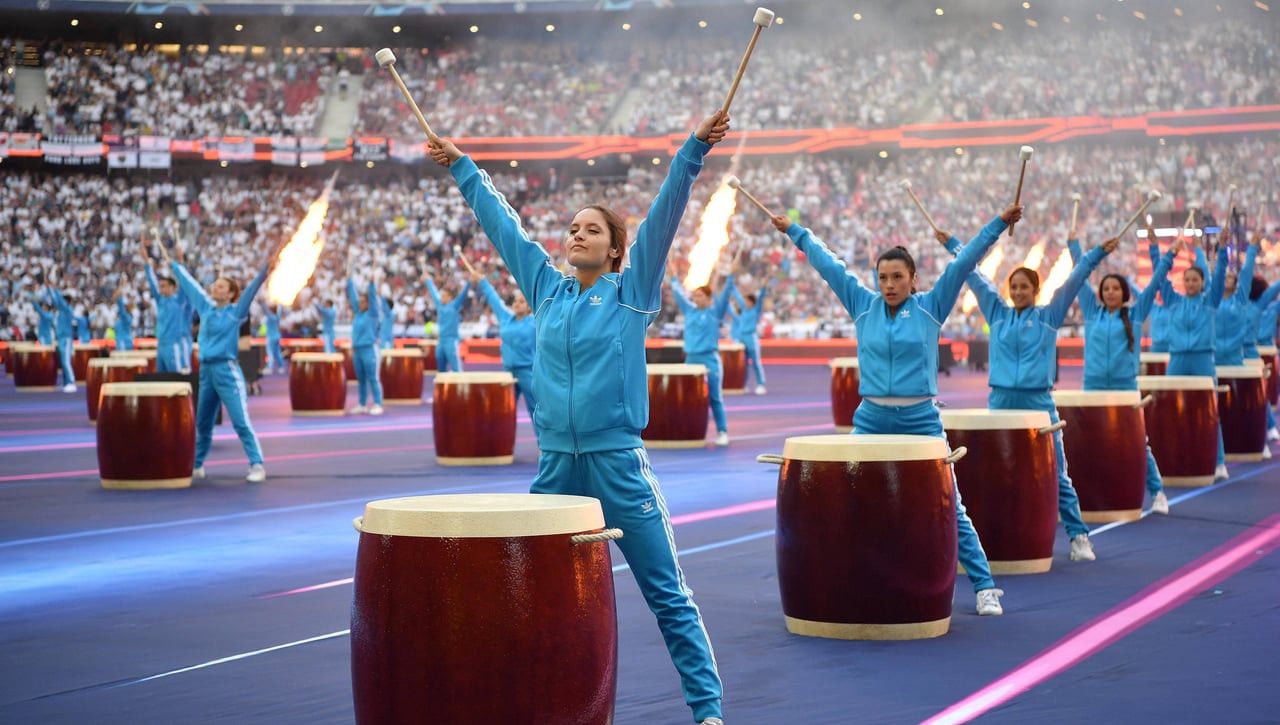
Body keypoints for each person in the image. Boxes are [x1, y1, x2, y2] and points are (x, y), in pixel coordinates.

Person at [429, 109, 730, 725]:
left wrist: (693, 148)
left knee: (667, 595)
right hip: (555, 469)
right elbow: (502, 226)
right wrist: (463, 166)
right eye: (571, 228)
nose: (575, 236)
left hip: (618, 465)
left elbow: (667, 212)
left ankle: (708, 710)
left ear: (616, 248)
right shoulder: (545, 290)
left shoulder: (631, 290)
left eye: (590, 230)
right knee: (529, 597)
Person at [773, 203, 1019, 617]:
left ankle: (984, 585)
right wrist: (796, 231)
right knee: (848, 498)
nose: (889, 285)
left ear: (913, 279)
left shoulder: (931, 306)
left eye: (897, 277)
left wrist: (998, 224)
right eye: (883, 278)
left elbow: (966, 260)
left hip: (921, 419)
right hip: (870, 420)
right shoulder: (861, 304)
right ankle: (844, 578)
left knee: (947, 504)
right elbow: (828, 265)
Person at [958, 224, 1112, 564]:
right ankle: (999, 533)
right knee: (999, 471)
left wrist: (1098, 252)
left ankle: (1078, 536)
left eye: (1023, 287)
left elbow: (1075, 280)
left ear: (1035, 289)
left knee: (1057, 472)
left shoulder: (1048, 316)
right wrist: (951, 243)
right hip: (999, 402)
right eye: (1013, 286)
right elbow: (970, 272)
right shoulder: (996, 313)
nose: (1016, 291)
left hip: (1039, 404)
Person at [1069, 224, 1179, 515]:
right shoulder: (1091, 312)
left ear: (1124, 292)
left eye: (1115, 288)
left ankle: (1157, 492)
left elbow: (1156, 282)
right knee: (1092, 442)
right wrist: (1074, 248)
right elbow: (1080, 278)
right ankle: (1093, 493)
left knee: (1137, 444)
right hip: (1092, 387)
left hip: (1125, 387)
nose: (1110, 293)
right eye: (1106, 289)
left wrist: (1165, 256)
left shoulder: (1136, 313)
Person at [167, 238, 282, 483]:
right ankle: (197, 465)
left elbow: (251, 290)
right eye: (215, 285)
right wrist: (176, 264)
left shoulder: (236, 312)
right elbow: (190, 285)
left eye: (221, 286)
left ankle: (257, 464)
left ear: (230, 294)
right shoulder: (206, 307)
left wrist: (266, 270)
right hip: (206, 372)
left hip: (227, 371)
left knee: (240, 421)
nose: (214, 288)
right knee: (203, 423)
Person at [1155, 237, 1228, 479]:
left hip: (1203, 360)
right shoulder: (1173, 301)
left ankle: (1218, 462)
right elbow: (1159, 274)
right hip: (1177, 360)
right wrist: (1156, 248)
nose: (1190, 283)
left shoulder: (1210, 301)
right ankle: (1175, 457)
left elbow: (1219, 278)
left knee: (1210, 411)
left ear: (1202, 282)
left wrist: (1222, 250)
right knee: (1171, 410)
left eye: (1195, 280)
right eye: (1186, 280)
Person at [670, 270, 735, 446]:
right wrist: (673, 277)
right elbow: (678, 293)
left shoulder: (716, 312)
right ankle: (691, 431)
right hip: (690, 360)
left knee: (714, 397)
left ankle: (722, 431)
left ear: (708, 298)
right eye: (695, 296)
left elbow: (727, 293)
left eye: (700, 296)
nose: (696, 299)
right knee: (689, 398)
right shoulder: (689, 310)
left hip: (710, 360)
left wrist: (731, 276)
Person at [472, 267, 537, 426]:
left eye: (522, 302)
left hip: (528, 372)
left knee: (536, 410)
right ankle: (504, 446)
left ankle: (544, 448)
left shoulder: (535, 323)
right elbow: (494, 299)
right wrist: (483, 282)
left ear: (529, 307)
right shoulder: (505, 318)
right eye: (515, 301)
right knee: (505, 411)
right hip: (507, 372)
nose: (516, 304)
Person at [141, 239, 194, 374]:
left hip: (174, 346)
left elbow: (184, 282)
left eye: (164, 286)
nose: (161, 289)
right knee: (162, 379)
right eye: (161, 286)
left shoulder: (180, 301)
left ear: (173, 287)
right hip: (161, 345)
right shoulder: (161, 301)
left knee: (176, 378)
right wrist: (146, 262)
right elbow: (152, 284)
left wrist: (181, 261)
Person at [346, 250, 385, 416]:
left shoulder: (373, 313)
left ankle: (378, 403)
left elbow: (371, 294)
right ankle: (362, 403)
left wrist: (372, 280)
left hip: (370, 349)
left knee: (373, 378)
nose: (360, 303)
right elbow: (351, 291)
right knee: (361, 379)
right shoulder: (359, 313)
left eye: (363, 302)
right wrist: (349, 271)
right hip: (357, 349)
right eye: (360, 302)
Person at [728, 266, 773, 395]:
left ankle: (761, 384)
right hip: (742, 337)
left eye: (747, 301)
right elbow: (736, 296)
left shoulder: (755, 310)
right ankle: (744, 384)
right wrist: (731, 283)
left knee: (755, 362)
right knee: (744, 364)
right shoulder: (744, 309)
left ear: (752, 302)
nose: (745, 302)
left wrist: (763, 287)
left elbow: (761, 299)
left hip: (751, 338)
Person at [424, 269, 471, 372]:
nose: (441, 298)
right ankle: (443, 387)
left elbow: (463, 294)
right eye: (441, 296)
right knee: (440, 369)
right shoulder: (440, 305)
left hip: (451, 340)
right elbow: (433, 291)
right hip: (441, 341)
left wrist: (469, 283)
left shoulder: (454, 305)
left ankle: (459, 386)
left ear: (450, 297)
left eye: (444, 296)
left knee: (456, 368)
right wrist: (428, 280)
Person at [42, 271, 78, 392]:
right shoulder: (62, 310)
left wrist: (53, 287)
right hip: (61, 338)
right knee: (63, 361)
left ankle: (71, 382)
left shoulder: (68, 310)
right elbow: (54, 299)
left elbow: (59, 300)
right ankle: (66, 382)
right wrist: (48, 288)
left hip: (67, 338)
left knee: (66, 361)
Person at [263, 303, 285, 374]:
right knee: (278, 353)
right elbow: (279, 310)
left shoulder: (270, 317)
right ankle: (281, 367)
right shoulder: (277, 317)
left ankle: (269, 367)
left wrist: (262, 304)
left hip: (271, 337)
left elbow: (265, 310)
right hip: (277, 336)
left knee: (270, 353)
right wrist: (280, 305)